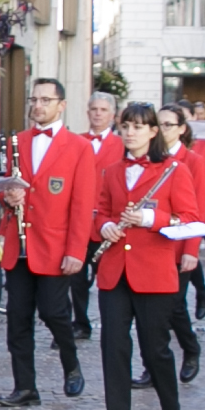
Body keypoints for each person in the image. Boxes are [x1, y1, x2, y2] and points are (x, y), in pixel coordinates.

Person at [92, 102, 202, 410]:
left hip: (153, 271)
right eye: (125, 126)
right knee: (114, 348)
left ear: (154, 131)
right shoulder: (112, 170)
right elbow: (101, 212)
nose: (130, 133)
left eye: (138, 127)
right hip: (115, 271)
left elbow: (189, 217)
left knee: (155, 349)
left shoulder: (174, 170)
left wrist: (150, 219)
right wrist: (106, 226)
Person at [0, 77, 94, 407]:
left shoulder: (79, 147)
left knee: (54, 312)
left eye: (45, 100)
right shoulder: (18, 141)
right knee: (18, 319)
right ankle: (25, 386)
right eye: (34, 99)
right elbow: (9, 185)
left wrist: (76, 251)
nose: (38, 105)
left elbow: (82, 205)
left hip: (54, 245)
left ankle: (71, 363)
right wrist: (9, 196)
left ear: (61, 105)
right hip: (19, 243)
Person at [151, 103, 205, 378]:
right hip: (153, 244)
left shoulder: (193, 161)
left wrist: (191, 250)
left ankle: (190, 348)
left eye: (168, 125)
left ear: (182, 129)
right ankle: (152, 365)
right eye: (159, 124)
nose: (162, 130)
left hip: (179, 244)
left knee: (174, 306)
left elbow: (200, 209)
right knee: (152, 310)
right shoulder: (150, 158)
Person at [71, 89, 119, 339]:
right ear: (87, 112)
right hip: (79, 223)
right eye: (94, 109)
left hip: (106, 223)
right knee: (75, 278)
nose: (98, 114)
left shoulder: (122, 145)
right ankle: (80, 323)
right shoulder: (75, 142)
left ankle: (111, 324)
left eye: (103, 110)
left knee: (107, 278)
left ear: (112, 115)